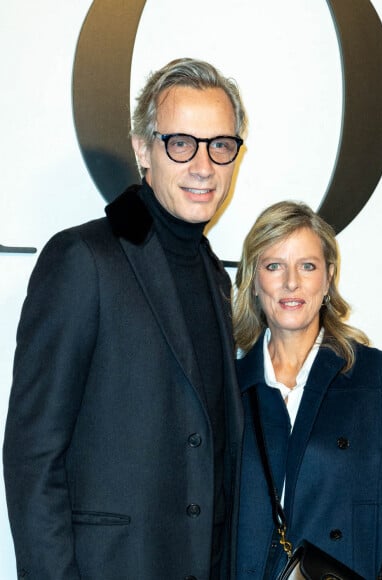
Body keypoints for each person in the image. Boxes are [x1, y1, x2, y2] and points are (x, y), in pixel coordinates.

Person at [3, 58, 246, 580]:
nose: (203, 166)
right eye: (181, 143)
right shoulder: (83, 260)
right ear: (143, 149)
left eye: (221, 145)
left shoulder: (216, 280)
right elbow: (32, 456)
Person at [233, 201, 382, 579]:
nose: (291, 282)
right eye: (274, 266)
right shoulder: (229, 385)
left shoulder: (374, 378)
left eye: (308, 266)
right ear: (253, 280)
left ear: (328, 277)